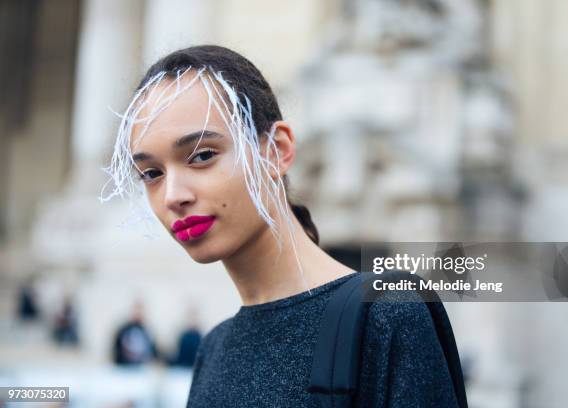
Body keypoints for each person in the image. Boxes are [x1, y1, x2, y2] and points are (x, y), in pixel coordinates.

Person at [102, 45, 463, 406]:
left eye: (202, 156)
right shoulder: (213, 350)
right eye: (151, 173)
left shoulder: (388, 315)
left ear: (276, 150)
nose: (172, 196)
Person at [112, 301, 158, 366]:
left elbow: (154, 353)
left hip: (142, 370)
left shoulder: (147, 332)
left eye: (141, 310)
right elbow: (116, 352)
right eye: (137, 310)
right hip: (125, 369)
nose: (139, 313)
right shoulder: (123, 331)